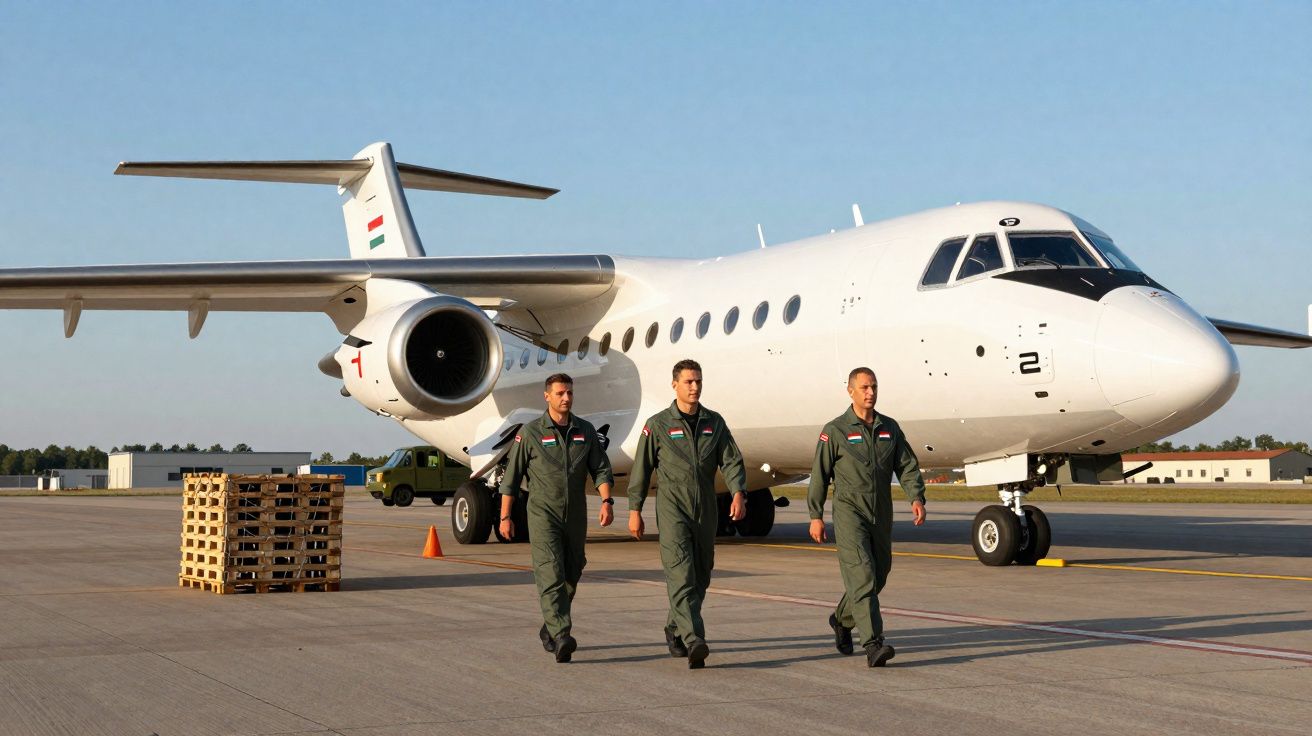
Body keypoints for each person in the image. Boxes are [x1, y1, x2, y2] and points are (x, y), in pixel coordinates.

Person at [628, 359, 747, 669]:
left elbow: (731, 460)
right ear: (674, 385)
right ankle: (695, 639)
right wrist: (634, 510)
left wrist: (737, 492)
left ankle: (674, 626)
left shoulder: (714, 422)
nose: (694, 387)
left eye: (698, 381)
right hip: (672, 507)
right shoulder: (657, 425)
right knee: (680, 572)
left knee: (701, 573)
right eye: (688, 382)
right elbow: (641, 470)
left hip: (705, 507)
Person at [807, 367, 927, 667]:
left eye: (873, 387)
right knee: (862, 573)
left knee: (879, 573)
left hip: (881, 510)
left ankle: (842, 618)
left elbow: (907, 465)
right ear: (850, 391)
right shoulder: (835, 430)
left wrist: (916, 496)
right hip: (850, 510)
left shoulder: (890, 428)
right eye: (864, 388)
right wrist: (816, 515)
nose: (870, 393)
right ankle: (873, 643)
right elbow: (819, 475)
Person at [499, 372, 615, 663]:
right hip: (542, 514)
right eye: (561, 393)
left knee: (573, 569)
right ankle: (563, 633)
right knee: (550, 570)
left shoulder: (585, 431)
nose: (566, 398)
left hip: (575, 514)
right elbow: (511, 479)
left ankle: (550, 625)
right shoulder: (530, 433)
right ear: (547, 396)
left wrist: (606, 500)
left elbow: (600, 468)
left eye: (570, 393)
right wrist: (504, 517)